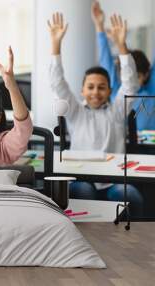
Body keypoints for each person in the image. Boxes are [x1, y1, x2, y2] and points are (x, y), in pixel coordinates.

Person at [48, 12, 143, 216]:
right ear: (82, 90)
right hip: (82, 179)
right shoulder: (75, 112)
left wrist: (121, 46)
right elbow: (57, 83)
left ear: (110, 91)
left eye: (101, 87)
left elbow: (131, 85)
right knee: (82, 192)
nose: (95, 92)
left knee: (131, 196)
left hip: (113, 181)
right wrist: (56, 45)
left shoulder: (118, 110)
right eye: (90, 87)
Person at [91, 1, 155, 131]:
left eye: (137, 76)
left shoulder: (150, 91)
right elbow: (106, 62)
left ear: (146, 75)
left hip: (148, 149)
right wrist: (99, 26)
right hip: (122, 148)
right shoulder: (117, 90)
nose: (132, 80)